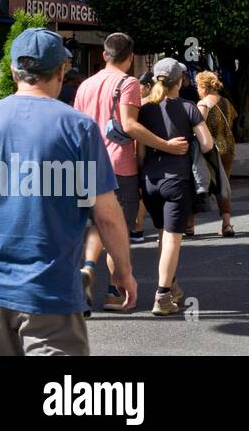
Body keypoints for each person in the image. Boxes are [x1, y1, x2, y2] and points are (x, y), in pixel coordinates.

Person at [0, 28, 137, 354]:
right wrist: (123, 271)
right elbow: (107, 215)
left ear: (15, 71)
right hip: (49, 293)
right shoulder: (78, 128)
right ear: (61, 71)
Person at [75, 32, 188, 314]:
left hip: (84, 165)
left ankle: (87, 268)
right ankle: (115, 293)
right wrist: (166, 146)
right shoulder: (129, 83)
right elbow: (129, 125)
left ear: (104, 55)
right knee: (117, 230)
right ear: (131, 58)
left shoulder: (85, 85)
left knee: (92, 225)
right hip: (117, 166)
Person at [138, 58, 214, 316]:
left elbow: (140, 150)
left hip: (149, 179)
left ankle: (171, 285)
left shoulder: (144, 108)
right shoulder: (188, 107)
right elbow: (207, 145)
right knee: (172, 238)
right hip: (176, 180)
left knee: (161, 233)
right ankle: (162, 295)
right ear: (180, 81)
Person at [195, 71, 238, 236]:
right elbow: (232, 122)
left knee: (197, 183)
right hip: (228, 147)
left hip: (210, 150)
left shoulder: (203, 104)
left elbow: (199, 128)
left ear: (204, 87)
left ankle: (189, 225)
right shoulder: (226, 102)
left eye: (198, 86)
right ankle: (227, 224)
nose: (197, 89)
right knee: (223, 186)